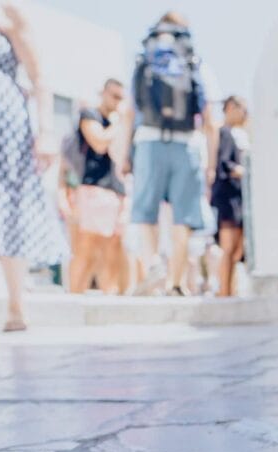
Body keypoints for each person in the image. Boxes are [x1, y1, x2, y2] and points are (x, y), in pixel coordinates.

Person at [0, 0, 66, 331]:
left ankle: (17, 306)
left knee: (11, 205)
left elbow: (39, 76)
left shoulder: (7, 10)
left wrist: (46, 132)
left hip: (1, 121)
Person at [126, 11, 218, 296]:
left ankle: (153, 261)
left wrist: (123, 156)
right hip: (186, 143)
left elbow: (130, 112)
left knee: (146, 211)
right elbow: (210, 120)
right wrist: (210, 165)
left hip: (150, 140)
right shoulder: (194, 63)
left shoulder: (144, 60)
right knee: (183, 216)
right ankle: (176, 282)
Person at [69, 78, 129, 294]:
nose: (117, 102)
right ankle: (74, 296)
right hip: (93, 187)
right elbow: (99, 143)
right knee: (87, 247)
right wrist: (117, 123)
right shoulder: (90, 115)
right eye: (114, 95)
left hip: (116, 189)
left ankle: (109, 295)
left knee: (112, 247)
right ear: (103, 93)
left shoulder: (119, 123)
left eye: (120, 97)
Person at [211, 96, 249, 297]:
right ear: (231, 108)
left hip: (234, 198)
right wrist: (246, 171)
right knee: (228, 247)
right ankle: (224, 291)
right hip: (228, 198)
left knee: (235, 249)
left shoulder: (233, 134)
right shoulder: (225, 133)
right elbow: (225, 165)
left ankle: (228, 290)